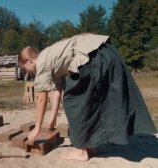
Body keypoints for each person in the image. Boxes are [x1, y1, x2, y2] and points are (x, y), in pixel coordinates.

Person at [18, 33, 157, 161]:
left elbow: (42, 98)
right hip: (104, 52)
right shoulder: (52, 56)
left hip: (92, 58)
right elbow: (57, 91)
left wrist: (37, 127)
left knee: (74, 102)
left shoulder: (41, 63)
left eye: (24, 69)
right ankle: (91, 144)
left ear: (29, 60)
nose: (28, 73)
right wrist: (52, 118)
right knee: (90, 100)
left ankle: (82, 151)